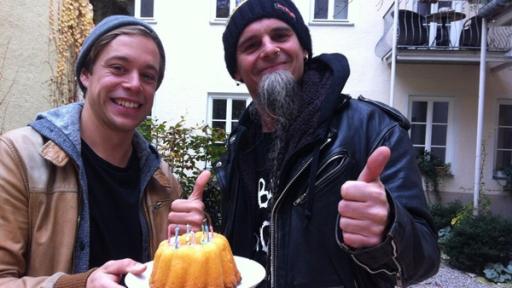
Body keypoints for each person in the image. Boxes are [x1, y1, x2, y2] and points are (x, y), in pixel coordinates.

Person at [169, 0, 440, 287]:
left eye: (281, 36)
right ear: (236, 70)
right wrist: (199, 230)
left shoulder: (371, 129)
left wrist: (388, 230)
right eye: (250, 45)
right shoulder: (239, 148)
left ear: (304, 49)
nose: (269, 49)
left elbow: (425, 260)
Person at [0, 15, 183, 287]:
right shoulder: (17, 157)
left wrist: (190, 245)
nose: (134, 84)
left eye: (147, 76)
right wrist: (82, 284)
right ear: (86, 74)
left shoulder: (163, 180)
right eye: (118, 68)